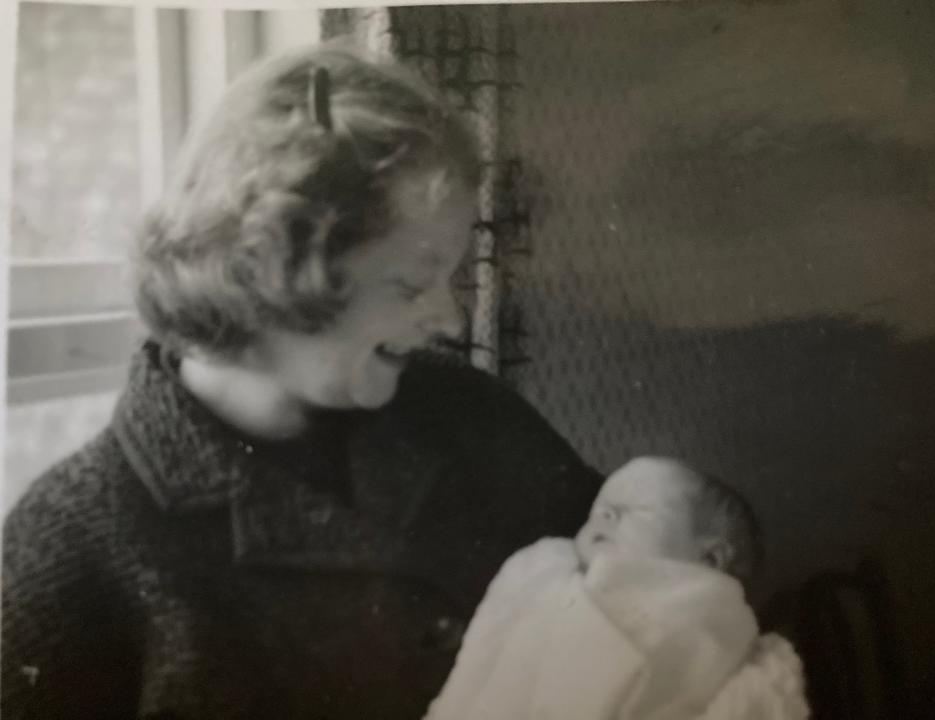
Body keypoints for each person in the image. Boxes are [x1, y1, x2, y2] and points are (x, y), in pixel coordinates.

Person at [1, 44, 603, 720]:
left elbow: (667, 579)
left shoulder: (471, 412)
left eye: (451, 276)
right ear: (274, 270)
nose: (450, 316)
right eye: (410, 283)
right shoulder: (65, 556)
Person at [425, 457, 810, 720]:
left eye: (635, 510)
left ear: (709, 560)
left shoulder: (709, 617)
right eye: (598, 510)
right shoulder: (560, 580)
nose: (603, 515)